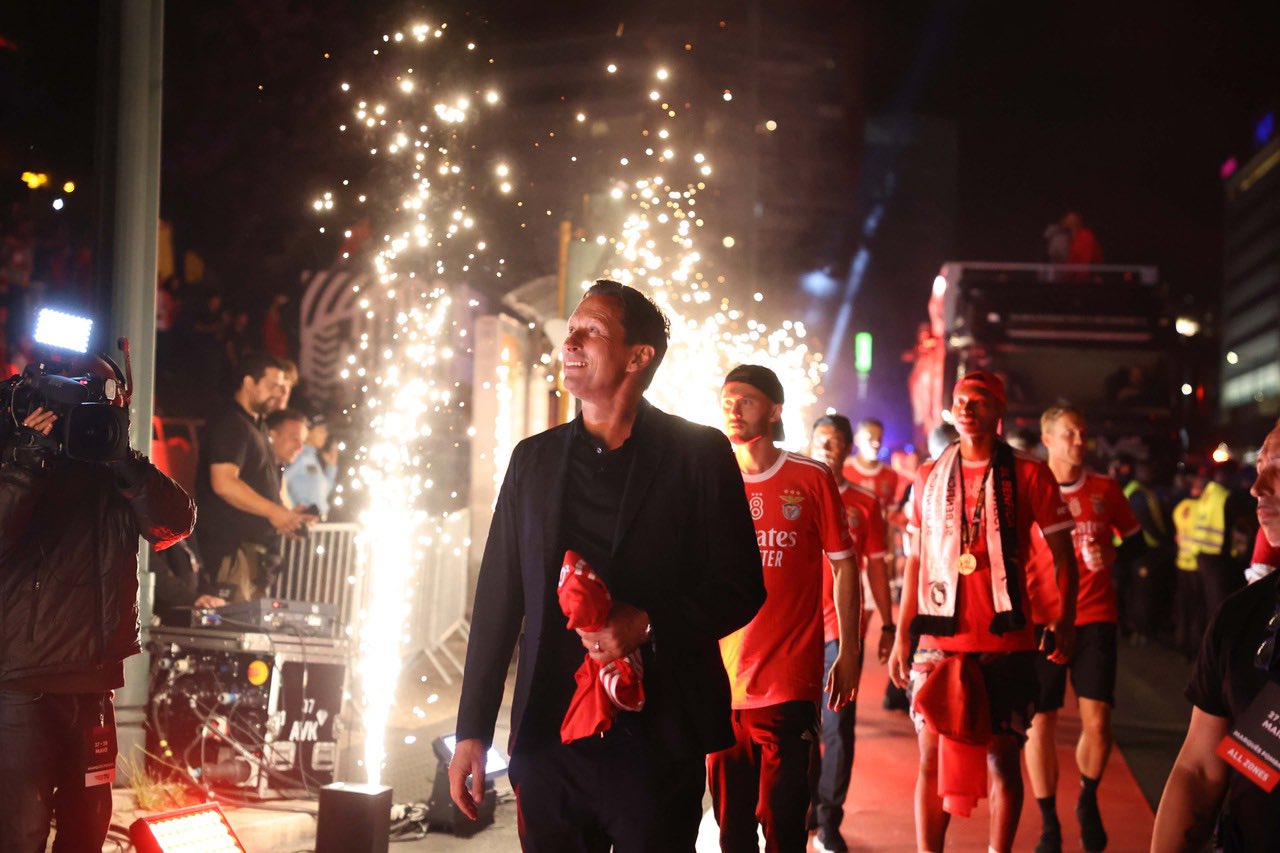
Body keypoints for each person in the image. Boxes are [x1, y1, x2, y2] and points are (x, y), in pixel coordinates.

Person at [449, 281, 764, 852]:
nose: (569, 342)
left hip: (657, 737)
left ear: (638, 357)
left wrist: (646, 623)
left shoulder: (699, 454)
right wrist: (472, 730)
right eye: (571, 330)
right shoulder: (532, 461)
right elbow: (498, 599)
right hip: (549, 740)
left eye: (590, 331)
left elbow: (741, 585)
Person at [889, 371, 1079, 853]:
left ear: (999, 411)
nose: (967, 409)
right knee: (930, 759)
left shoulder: (1030, 473)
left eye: (979, 401)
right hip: (937, 639)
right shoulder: (929, 475)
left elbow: (1064, 556)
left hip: (1004, 640)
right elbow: (916, 561)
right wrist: (901, 636)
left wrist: (1065, 621)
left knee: (1002, 760)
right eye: (960, 401)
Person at [0, 392, 195, 850]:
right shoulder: (16, 453)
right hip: (24, 681)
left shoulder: (116, 468)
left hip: (94, 684)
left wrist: (124, 458)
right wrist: (26, 459)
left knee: (87, 830)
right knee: (21, 832)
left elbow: (175, 523)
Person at [710, 367, 861, 853]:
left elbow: (844, 565)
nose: (734, 410)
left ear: (775, 410)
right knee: (731, 830)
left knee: (784, 823)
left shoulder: (810, 477)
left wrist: (850, 650)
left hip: (789, 682)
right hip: (722, 684)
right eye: (727, 401)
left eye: (746, 401)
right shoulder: (711, 478)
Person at [1151, 419, 1280, 851]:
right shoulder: (1240, 616)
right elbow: (1200, 770)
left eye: (1278, 469)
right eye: (1259, 468)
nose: (1257, 488)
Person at [1024, 406, 1144, 853]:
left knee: (1099, 722)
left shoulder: (1105, 489)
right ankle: (1048, 824)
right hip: (1044, 619)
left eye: (1083, 433)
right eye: (1069, 434)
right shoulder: (1030, 489)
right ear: (1047, 440)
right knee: (1041, 722)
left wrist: (1112, 554)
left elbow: (1136, 543)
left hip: (1095, 616)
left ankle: (1087, 799)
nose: (1079, 441)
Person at [807, 414, 893, 853]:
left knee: (838, 726)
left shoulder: (864, 502)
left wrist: (889, 623)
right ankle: (802, 806)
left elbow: (876, 565)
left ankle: (829, 821)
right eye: (820, 440)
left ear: (847, 449)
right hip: (793, 629)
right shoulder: (794, 490)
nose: (826, 447)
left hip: (840, 630)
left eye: (835, 441)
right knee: (796, 726)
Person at [195, 353, 314, 602]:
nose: (279, 393)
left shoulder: (255, 426)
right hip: (231, 554)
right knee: (230, 624)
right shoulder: (231, 422)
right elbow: (224, 483)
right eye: (272, 385)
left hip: (252, 557)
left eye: (282, 386)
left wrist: (287, 517)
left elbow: (260, 485)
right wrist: (274, 512)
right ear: (249, 383)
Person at [1191, 460, 1256, 619]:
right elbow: (1245, 517)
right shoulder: (1225, 496)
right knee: (1219, 603)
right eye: (1236, 476)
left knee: (1210, 600)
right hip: (1217, 556)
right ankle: (1219, 632)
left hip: (1203, 553)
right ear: (1228, 475)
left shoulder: (1209, 491)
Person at [1173, 465, 1207, 657]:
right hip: (1196, 566)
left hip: (1181, 564)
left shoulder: (1180, 507)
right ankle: (1195, 647)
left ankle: (1181, 644)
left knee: (1183, 608)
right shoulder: (1202, 509)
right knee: (1197, 609)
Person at [284, 415, 339, 518]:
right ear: (307, 432)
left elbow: (322, 493)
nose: (326, 434)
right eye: (321, 430)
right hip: (301, 520)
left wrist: (331, 467)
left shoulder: (313, 459)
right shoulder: (299, 456)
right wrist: (290, 509)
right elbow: (281, 481)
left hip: (316, 521)